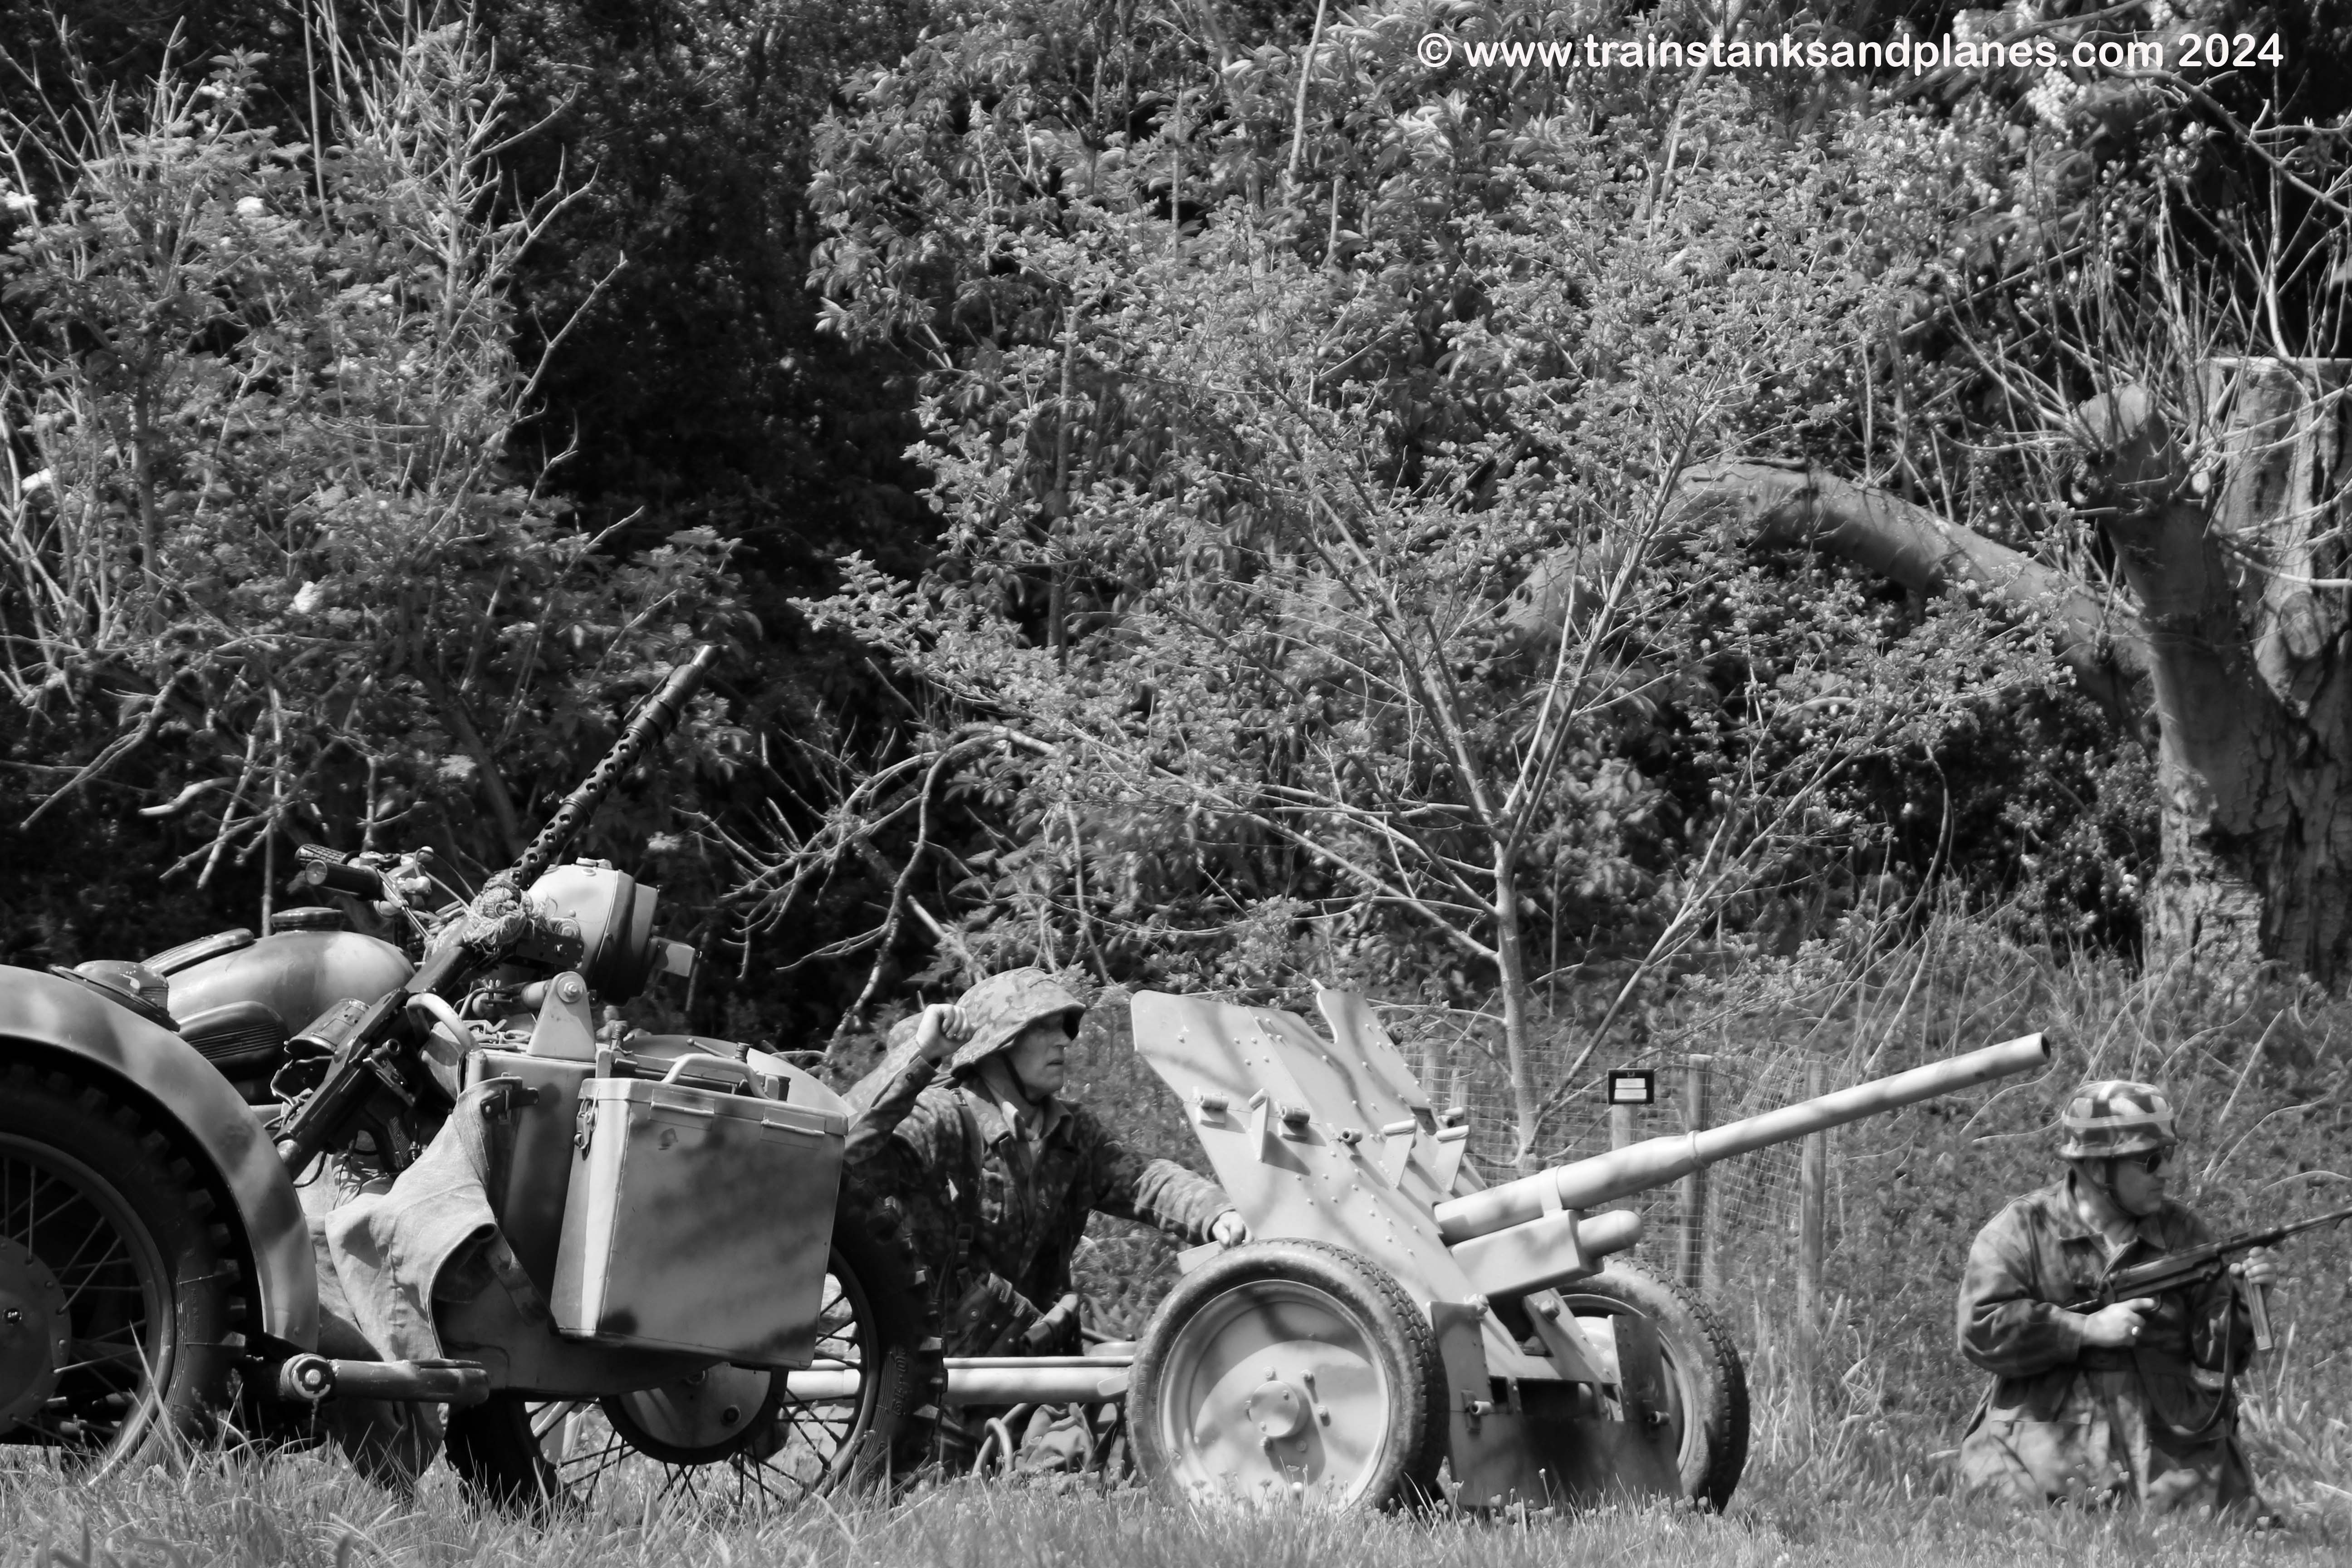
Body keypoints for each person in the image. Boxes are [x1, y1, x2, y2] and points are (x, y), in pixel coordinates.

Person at [843, 966, 1249, 1472]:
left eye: (1064, 1027)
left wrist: (1217, 1212)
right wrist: (921, 1055)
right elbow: (846, 1147)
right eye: (1042, 1027)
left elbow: (1145, 1178)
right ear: (997, 1044)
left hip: (1038, 1377)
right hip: (938, 1392)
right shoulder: (943, 1119)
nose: (1063, 1041)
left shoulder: (1073, 1134)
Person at [1955, 1078, 2281, 1519]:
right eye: (2150, 1161)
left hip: (2166, 1439)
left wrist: (2243, 1305)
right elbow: (1981, 1328)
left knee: (2226, 1518)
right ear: (2097, 1168)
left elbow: (2216, 1353)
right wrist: (2084, 1330)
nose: (2167, 1173)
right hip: (2046, 1437)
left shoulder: (2183, 1232)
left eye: (2168, 1155)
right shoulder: (2022, 1230)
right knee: (2025, 1511)